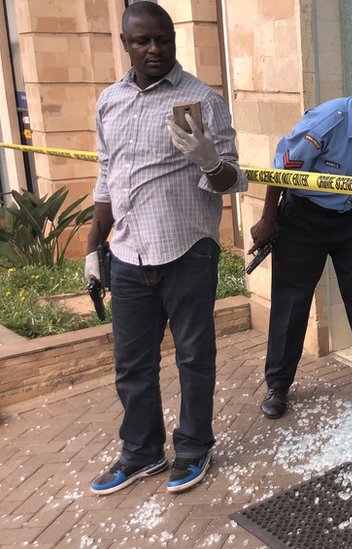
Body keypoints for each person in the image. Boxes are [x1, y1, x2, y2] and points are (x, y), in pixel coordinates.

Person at [87, 2, 246, 496]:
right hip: (130, 254)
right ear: (126, 44)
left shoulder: (203, 99)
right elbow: (105, 178)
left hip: (187, 251)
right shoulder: (109, 101)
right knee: (132, 363)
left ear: (172, 41)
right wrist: (94, 247)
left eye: (163, 39)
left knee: (194, 357)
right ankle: (141, 452)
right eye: (143, 41)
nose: (154, 49)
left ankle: (194, 448)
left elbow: (232, 181)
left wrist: (208, 160)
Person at [250, 54, 352, 418]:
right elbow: (283, 171)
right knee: (292, 303)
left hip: (350, 218)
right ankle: (278, 386)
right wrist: (268, 220)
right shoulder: (328, 121)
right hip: (303, 219)